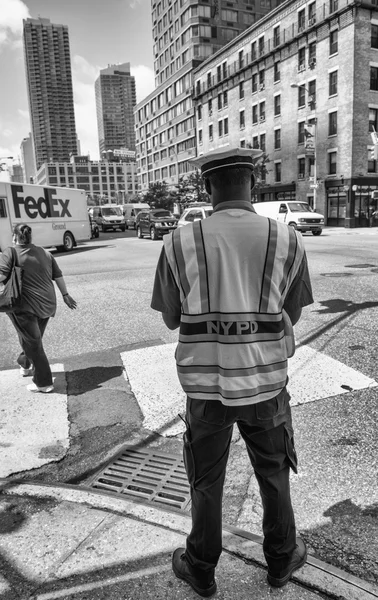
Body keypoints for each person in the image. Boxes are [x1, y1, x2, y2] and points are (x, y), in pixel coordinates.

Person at [151, 147, 314, 597]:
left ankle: (201, 567)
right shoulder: (287, 239)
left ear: (208, 187)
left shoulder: (178, 242)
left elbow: (170, 318)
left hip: (206, 388)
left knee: (206, 481)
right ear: (253, 183)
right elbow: (294, 313)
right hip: (265, 384)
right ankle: (281, 562)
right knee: (274, 473)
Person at [0, 223, 77, 393]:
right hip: (47, 305)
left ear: (14, 237)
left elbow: (1, 275)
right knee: (31, 338)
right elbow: (58, 276)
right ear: (30, 237)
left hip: (23, 306)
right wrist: (65, 295)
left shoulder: (10, 252)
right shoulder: (45, 253)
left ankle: (43, 383)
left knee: (33, 343)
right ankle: (25, 363)